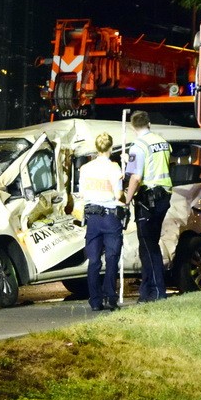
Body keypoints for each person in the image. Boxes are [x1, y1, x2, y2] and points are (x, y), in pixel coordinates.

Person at [123, 111, 172, 302]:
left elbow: (136, 177)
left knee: (148, 246)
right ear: (149, 123)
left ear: (133, 127)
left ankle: (157, 292)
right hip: (163, 197)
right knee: (150, 245)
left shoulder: (138, 146)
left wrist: (127, 200)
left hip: (147, 200)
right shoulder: (162, 141)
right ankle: (146, 291)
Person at [77, 132, 125, 312]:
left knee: (94, 260)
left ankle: (95, 301)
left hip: (93, 218)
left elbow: (82, 193)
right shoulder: (114, 167)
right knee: (112, 258)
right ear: (111, 148)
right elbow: (119, 194)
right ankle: (110, 297)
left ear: (96, 148)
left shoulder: (86, 168)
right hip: (110, 217)